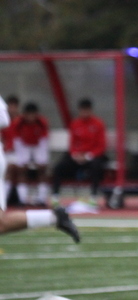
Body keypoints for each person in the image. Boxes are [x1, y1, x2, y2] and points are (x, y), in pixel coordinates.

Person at [0, 95, 80, 242]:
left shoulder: (40, 123)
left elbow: (3, 119)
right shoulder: (19, 123)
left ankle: (47, 208)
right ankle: (54, 217)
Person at [51, 98, 108, 208]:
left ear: (90, 110)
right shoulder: (75, 124)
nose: (84, 112)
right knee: (59, 166)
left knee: (96, 166)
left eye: (87, 110)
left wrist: (88, 156)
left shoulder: (98, 124)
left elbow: (101, 145)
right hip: (77, 156)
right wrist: (75, 155)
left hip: (92, 156)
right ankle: (55, 196)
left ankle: (93, 197)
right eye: (82, 110)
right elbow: (72, 144)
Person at [11, 102, 50, 206]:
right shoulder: (18, 123)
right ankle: (22, 199)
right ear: (25, 114)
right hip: (23, 145)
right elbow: (17, 140)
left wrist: (40, 160)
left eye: (33, 114)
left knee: (42, 170)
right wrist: (23, 160)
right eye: (29, 114)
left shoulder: (42, 122)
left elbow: (44, 140)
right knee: (21, 170)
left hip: (38, 145)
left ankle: (42, 199)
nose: (31, 117)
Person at [1, 95, 20, 204]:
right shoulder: (4, 121)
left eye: (14, 106)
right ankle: (5, 200)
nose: (12, 109)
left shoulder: (21, 121)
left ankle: (20, 199)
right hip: (6, 152)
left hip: (19, 153)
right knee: (7, 170)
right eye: (10, 106)